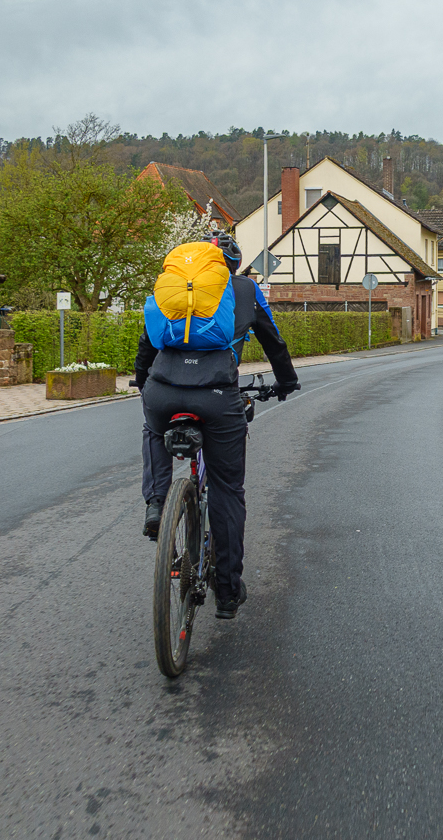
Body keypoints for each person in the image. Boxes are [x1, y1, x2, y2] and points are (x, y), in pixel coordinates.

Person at [135, 232, 298, 619]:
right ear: (233, 266)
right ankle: (226, 590)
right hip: (216, 396)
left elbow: (146, 341)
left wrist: (144, 383)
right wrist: (286, 382)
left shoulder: (175, 291)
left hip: (161, 391)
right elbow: (273, 341)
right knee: (227, 488)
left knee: (153, 428)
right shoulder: (245, 289)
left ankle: (157, 503)